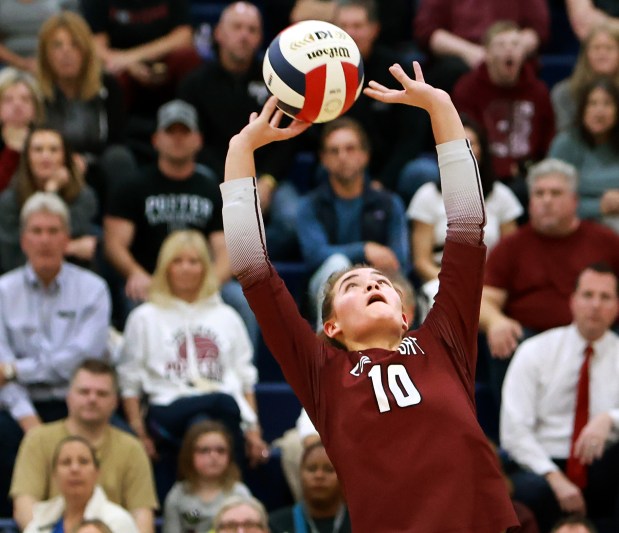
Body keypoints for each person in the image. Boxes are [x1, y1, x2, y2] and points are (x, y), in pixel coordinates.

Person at [220, 61, 519, 531]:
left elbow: (465, 228)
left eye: (379, 281)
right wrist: (242, 150)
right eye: (352, 286)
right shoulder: (322, 372)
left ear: (405, 313)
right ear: (331, 326)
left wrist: (440, 108)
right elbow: (252, 269)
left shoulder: (444, 342)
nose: (373, 284)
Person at [118, 230, 268, 497]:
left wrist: (254, 431)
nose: (186, 268)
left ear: (206, 268)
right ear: (165, 267)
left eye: (194, 261)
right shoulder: (144, 317)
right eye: (178, 261)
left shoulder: (227, 317)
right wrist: (139, 433)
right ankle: (229, 494)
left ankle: (211, 503)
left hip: (222, 412)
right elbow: (129, 382)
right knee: (222, 403)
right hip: (166, 408)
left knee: (212, 417)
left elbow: (244, 378)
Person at [103, 99, 256, 344]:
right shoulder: (132, 187)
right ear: (156, 140)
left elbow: (225, 249)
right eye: (170, 131)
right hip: (150, 278)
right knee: (135, 300)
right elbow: (113, 244)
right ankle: (140, 378)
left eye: (184, 132)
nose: (177, 138)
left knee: (241, 299)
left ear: (198, 140)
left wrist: (210, 284)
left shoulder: (211, 189)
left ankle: (243, 378)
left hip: (198, 278)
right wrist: (135, 273)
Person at [0, 192, 111, 517]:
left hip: (76, 402)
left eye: (53, 231)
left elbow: (80, 360)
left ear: (67, 238)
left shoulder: (94, 289)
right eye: (36, 231)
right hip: (19, 407)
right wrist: (28, 419)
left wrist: (16, 370)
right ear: (23, 240)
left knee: (125, 440)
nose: (45, 240)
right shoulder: (3, 292)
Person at [479, 158, 619, 402]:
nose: (546, 200)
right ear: (530, 201)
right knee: (503, 338)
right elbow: (483, 300)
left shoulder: (606, 241)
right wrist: (495, 321)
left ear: (575, 201)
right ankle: (511, 431)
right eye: (539, 193)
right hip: (530, 340)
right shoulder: (511, 246)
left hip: (597, 333)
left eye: (555, 193)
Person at [178, 2, 301, 261]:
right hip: (214, 174)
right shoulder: (195, 83)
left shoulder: (276, 81)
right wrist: (234, 181)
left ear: (260, 38)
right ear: (218, 34)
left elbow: (288, 139)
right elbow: (193, 143)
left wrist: (267, 180)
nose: (244, 35)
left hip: (268, 176)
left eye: (252, 30)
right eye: (237, 27)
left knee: (291, 220)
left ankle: (247, 264)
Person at [501, 264, 619, 532]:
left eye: (606, 297)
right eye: (588, 295)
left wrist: (609, 418)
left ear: (617, 306)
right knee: (528, 490)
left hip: (602, 463)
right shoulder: (535, 351)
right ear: (573, 301)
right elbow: (514, 432)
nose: (595, 305)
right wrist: (554, 477)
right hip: (544, 466)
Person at [10, 359, 158, 533]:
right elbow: (25, 506)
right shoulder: (38, 439)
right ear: (68, 396)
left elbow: (142, 515)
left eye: (101, 393)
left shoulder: (132, 448)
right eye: (84, 391)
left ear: (115, 402)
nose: (92, 399)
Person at [296, 116, 409, 326]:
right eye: (334, 151)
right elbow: (315, 254)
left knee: (395, 282)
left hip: (377, 287)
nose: (342, 156)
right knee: (337, 265)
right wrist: (364, 249)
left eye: (350, 148)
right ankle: (331, 350)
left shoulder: (388, 203)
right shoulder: (310, 205)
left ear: (365, 155)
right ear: (323, 159)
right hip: (322, 289)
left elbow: (398, 260)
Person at [408, 115, 522, 319]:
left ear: (482, 149)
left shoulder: (501, 195)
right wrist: (454, 282)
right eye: (458, 145)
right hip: (441, 282)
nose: (464, 151)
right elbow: (421, 261)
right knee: (442, 297)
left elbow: (512, 255)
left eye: (471, 144)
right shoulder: (427, 195)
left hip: (491, 284)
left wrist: (484, 283)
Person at [36, 11, 136, 213]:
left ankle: (116, 226)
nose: (66, 52)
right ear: (45, 54)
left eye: (74, 44)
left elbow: (117, 140)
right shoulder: (35, 91)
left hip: (96, 169)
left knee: (119, 158)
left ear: (87, 51)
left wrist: (85, 162)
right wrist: (62, 162)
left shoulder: (108, 86)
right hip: (47, 166)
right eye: (57, 45)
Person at [453, 20, 555, 209]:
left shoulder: (538, 91)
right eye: (501, 45)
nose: (509, 51)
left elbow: (548, 142)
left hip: (526, 174)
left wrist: (528, 168)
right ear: (488, 53)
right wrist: (504, 167)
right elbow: (466, 139)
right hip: (479, 171)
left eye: (515, 45)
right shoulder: (467, 88)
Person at [332, 0, 431, 192]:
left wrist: (383, 181)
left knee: (423, 172)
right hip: (345, 160)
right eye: (343, 27)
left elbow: (411, 137)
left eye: (357, 26)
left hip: (393, 165)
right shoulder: (322, 75)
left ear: (374, 29)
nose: (350, 33)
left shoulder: (397, 70)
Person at [0, 127, 99, 272]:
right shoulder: (10, 200)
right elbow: (12, 259)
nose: (45, 156)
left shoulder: (83, 197)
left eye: (53, 150)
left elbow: (85, 248)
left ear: (65, 157)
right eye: (38, 150)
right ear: (27, 157)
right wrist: (51, 190)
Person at [81, 0, 201, 118]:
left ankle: (190, 128)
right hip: (123, 70)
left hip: (163, 63)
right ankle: (114, 131)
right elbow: (96, 46)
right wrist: (129, 65)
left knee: (189, 58)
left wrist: (131, 58)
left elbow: (184, 36)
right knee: (107, 75)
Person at [414, 0, 549, 93]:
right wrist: (469, 52)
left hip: (509, 52)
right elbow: (427, 31)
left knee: (524, 72)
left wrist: (509, 48)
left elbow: (538, 29)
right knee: (447, 72)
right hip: (460, 57)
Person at [23, 436, 139, 533]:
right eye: (66, 462)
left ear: (96, 472)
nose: (74, 469)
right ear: (54, 475)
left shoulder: (118, 521)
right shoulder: (39, 524)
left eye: (83, 461)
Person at [548, 77, 619, 230]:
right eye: (592, 104)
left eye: (607, 104)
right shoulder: (565, 143)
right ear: (582, 109)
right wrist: (599, 207)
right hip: (576, 224)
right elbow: (551, 198)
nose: (599, 111)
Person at [163, 421, 252, 533]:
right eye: (204, 450)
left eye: (221, 451)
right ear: (189, 454)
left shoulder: (240, 494)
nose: (213, 456)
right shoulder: (177, 495)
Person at [269, 441, 351, 533]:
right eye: (312, 469)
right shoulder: (276, 525)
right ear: (300, 474)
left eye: (329, 469)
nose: (319, 476)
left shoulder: (361, 522)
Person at [551, 23, 619, 132]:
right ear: (585, 54)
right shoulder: (564, 92)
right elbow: (565, 136)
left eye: (609, 48)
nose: (602, 54)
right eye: (596, 48)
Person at [0, 67, 44, 192]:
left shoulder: (49, 139)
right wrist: (12, 151)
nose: (17, 105)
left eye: (25, 99)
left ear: (36, 109)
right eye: (8, 100)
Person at [0, 0, 75, 73]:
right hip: (8, 64)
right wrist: (20, 63)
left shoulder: (56, 5)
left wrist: (43, 62)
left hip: (50, 63)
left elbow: (65, 35)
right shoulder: (3, 5)